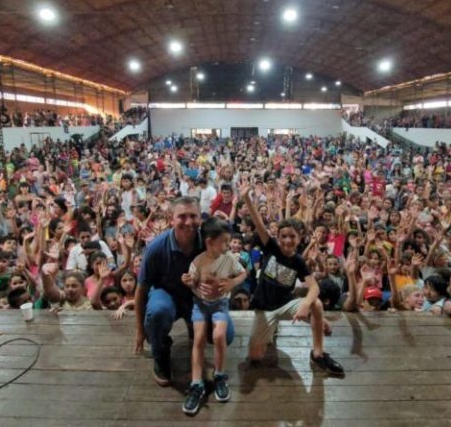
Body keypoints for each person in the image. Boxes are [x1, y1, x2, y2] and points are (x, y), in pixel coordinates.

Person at [239, 178, 344, 376]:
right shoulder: (271, 247)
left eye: (292, 236)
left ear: (300, 238)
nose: (287, 240)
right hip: (264, 309)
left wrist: (305, 305)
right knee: (255, 357)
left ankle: (318, 353)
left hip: (285, 304)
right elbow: (259, 223)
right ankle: (284, 327)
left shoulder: (298, 261)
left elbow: (314, 287)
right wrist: (247, 197)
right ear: (278, 237)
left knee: (316, 304)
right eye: (283, 236)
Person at [134, 196, 236, 387]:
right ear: (171, 218)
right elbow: (141, 290)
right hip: (166, 294)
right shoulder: (156, 248)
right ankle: (161, 355)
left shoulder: (210, 243)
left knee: (226, 334)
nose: (188, 222)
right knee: (157, 311)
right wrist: (140, 329)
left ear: (201, 218)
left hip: (198, 298)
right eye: (182, 216)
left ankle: (193, 325)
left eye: (193, 216)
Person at [180, 218, 246, 415]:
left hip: (220, 305)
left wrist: (232, 284)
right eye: (224, 241)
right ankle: (197, 382)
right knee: (198, 338)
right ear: (209, 242)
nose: (228, 245)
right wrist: (188, 281)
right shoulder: (198, 261)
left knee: (219, 336)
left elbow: (243, 274)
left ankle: (219, 374)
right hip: (200, 305)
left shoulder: (230, 259)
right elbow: (193, 283)